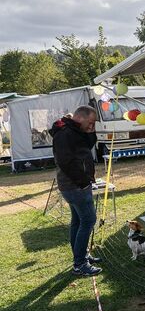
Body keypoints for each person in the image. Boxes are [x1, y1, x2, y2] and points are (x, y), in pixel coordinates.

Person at [49, 105, 102, 276]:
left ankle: (81, 256)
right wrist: (83, 182)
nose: (92, 126)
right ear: (80, 118)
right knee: (88, 220)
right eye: (91, 122)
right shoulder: (65, 134)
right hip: (75, 186)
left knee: (78, 222)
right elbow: (66, 162)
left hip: (76, 185)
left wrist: (91, 130)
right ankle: (80, 264)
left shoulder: (75, 131)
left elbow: (88, 145)